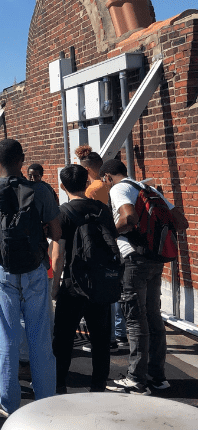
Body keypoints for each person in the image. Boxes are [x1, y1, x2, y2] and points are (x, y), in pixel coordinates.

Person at [0, 139, 62, 416]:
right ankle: (46, 400)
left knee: (7, 337)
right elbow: (56, 232)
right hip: (36, 268)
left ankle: (9, 403)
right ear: (22, 159)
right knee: (40, 337)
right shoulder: (42, 191)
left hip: (3, 269)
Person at [101, 159, 187, 394]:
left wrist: (109, 232)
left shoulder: (119, 188)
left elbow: (129, 218)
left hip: (134, 259)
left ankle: (136, 379)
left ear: (108, 177)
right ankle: (157, 376)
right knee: (152, 316)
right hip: (155, 259)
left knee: (135, 318)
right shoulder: (147, 189)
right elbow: (181, 222)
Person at [52, 164, 118, 393]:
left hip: (73, 284)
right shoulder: (103, 210)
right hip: (100, 281)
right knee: (100, 339)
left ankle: (59, 385)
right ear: (87, 183)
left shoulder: (63, 213)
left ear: (62, 186)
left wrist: (54, 286)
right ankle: (98, 386)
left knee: (63, 338)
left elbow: (58, 255)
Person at [75, 144, 121, 350]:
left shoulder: (91, 190)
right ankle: (116, 335)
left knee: (98, 294)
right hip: (115, 240)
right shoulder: (110, 186)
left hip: (97, 244)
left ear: (86, 169)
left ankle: (106, 339)